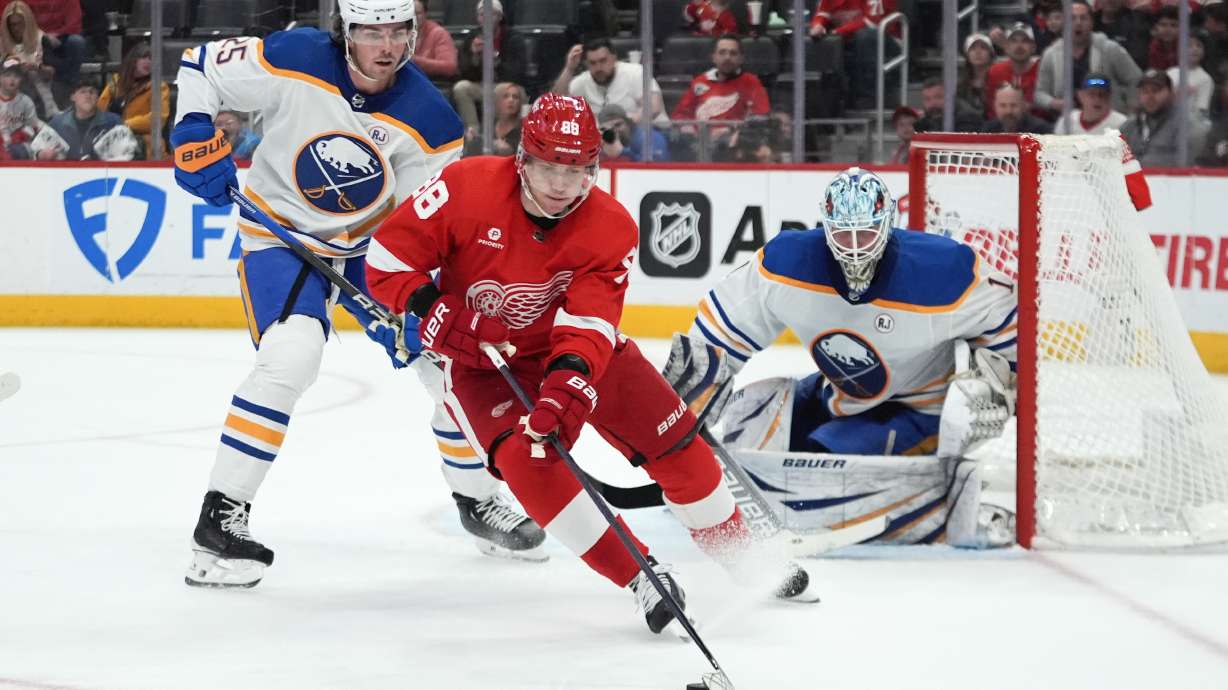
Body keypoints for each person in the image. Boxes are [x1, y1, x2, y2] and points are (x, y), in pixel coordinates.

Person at [366, 94, 820, 635]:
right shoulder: (466, 187)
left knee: (679, 447)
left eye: (577, 170)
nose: (562, 184)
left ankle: (743, 557)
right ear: (523, 159)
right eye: (550, 168)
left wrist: (569, 382)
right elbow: (388, 258)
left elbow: (589, 321)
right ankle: (642, 576)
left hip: (577, 352)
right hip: (482, 364)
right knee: (527, 460)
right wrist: (433, 310)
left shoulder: (610, 225)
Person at [171, 0, 545, 589]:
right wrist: (193, 128)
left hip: (373, 252)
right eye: (372, 31)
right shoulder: (295, 56)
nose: (387, 45)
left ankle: (477, 501)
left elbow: (426, 224)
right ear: (345, 31)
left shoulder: (432, 120)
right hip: (281, 233)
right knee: (290, 357)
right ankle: (219, 522)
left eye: (399, 31)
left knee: (450, 362)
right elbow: (199, 66)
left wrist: (427, 299)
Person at [662, 168, 1020, 547]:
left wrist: (994, 386)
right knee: (748, 416)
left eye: (864, 232)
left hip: (915, 410)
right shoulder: (788, 263)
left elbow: (1009, 323)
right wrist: (678, 412)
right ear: (826, 225)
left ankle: (921, 504)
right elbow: (719, 329)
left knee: (817, 466)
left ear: (887, 226)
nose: (853, 246)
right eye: (842, 232)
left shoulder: (941, 272)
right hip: (833, 394)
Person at [1034, 0, 1141, 116]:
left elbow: (1136, 79)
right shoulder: (1050, 54)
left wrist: (1131, 109)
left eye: (1083, 18)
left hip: (1108, 119)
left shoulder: (1109, 49)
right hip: (1068, 121)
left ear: (1091, 23)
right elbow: (1039, 93)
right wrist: (1053, 103)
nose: (1078, 23)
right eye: (1072, 18)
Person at [671, 33, 770, 155]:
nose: (727, 57)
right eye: (722, 53)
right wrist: (687, 128)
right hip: (697, 143)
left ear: (741, 58)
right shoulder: (700, 82)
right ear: (713, 57)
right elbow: (680, 115)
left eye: (733, 53)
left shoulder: (751, 82)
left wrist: (733, 130)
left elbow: (760, 118)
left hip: (732, 146)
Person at [551, 37, 669, 129]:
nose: (598, 67)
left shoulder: (635, 72)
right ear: (586, 64)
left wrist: (623, 126)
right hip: (603, 144)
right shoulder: (582, 82)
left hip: (645, 136)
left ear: (614, 58)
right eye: (593, 63)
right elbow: (555, 105)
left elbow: (653, 107)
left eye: (603, 61)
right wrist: (569, 69)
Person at [808, 0, 900, 109]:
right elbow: (822, 14)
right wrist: (818, 26)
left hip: (885, 41)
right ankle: (826, 102)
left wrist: (837, 32)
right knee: (817, 40)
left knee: (866, 36)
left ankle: (870, 98)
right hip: (848, 40)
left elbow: (870, 22)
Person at [31, 77, 137, 160]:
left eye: (92, 92)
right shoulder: (57, 123)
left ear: (97, 97)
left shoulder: (114, 123)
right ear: (73, 97)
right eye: (82, 92)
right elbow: (35, 151)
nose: (88, 96)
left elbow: (132, 154)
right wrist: (41, 155)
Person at [1121, 68, 1210, 166]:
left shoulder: (1186, 124)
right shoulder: (1131, 126)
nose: (1150, 97)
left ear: (1171, 93)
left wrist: (1141, 164)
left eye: (1156, 91)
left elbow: (1185, 161)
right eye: (1145, 92)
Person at [98, 42, 170, 159]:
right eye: (144, 57)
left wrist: (125, 125)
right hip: (113, 141)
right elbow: (99, 112)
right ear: (133, 60)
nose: (148, 62)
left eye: (151, 59)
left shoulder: (159, 87)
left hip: (145, 145)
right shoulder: (115, 83)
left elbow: (158, 119)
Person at [0, 1, 56, 117]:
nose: (16, 28)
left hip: (38, 89)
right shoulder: (2, 43)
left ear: (28, 22)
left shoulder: (42, 39)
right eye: (12, 24)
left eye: (20, 23)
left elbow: (51, 73)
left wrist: (37, 67)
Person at [985, 22, 1042, 119]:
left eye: (1025, 41)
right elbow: (992, 108)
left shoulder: (1042, 70)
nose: (1019, 46)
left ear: (1033, 47)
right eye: (1014, 41)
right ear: (1006, 47)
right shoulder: (995, 71)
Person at [461, 80, 523, 156]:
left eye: (515, 97)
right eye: (505, 96)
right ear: (497, 100)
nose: (511, 100)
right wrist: (473, 139)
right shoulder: (489, 123)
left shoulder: (523, 128)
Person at [1053, 72, 1127, 134]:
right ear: (1080, 96)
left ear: (1110, 97)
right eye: (1091, 94)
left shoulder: (1121, 124)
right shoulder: (1067, 121)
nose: (1097, 99)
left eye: (1102, 94)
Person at [598, 103, 669, 162]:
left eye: (618, 125)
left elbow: (655, 167)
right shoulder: (600, 140)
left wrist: (623, 152)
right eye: (607, 128)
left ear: (628, 123)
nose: (614, 131)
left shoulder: (648, 137)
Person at [1167, 34, 1214, 120]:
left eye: (1199, 46)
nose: (1195, 49)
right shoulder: (1170, 73)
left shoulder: (1205, 79)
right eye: (1189, 45)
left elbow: (1201, 110)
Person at [0, 55, 39, 158]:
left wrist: (17, 136)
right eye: (8, 75)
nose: (12, 79)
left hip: (18, 145)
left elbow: (33, 127)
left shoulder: (26, 101)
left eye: (16, 76)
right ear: (0, 77)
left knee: (18, 151)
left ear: (21, 79)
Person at [410, 0, 457, 80]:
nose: (414, 17)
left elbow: (449, 67)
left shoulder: (439, 33)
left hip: (431, 82)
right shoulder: (397, 32)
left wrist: (412, 60)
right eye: (410, 14)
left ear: (425, 14)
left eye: (418, 13)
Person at [982, 83, 1052, 133]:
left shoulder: (1040, 130)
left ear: (1024, 105)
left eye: (1014, 105)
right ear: (995, 106)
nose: (1008, 111)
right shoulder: (988, 130)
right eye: (1003, 105)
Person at [958, 33, 995, 117]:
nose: (978, 52)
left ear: (991, 54)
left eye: (983, 48)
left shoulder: (999, 81)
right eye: (973, 48)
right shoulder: (960, 86)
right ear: (967, 55)